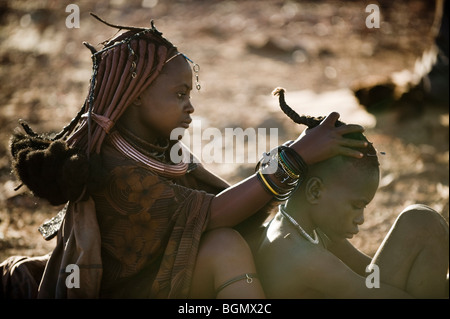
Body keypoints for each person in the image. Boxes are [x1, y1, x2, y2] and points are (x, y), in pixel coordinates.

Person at [0, 15, 368, 299]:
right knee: (226, 246)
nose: (190, 106)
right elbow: (214, 214)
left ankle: (371, 279)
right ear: (138, 95)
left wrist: (293, 163)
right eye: (179, 95)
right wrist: (294, 157)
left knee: (267, 235)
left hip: (164, 281)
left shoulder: (164, 152)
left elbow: (238, 208)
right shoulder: (115, 172)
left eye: (189, 94)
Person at [255, 89, 449, 298]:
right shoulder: (302, 256)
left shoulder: (308, 227)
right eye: (357, 205)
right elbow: (371, 290)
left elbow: (369, 272)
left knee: (421, 222)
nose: (361, 219)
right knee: (421, 223)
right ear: (315, 191)